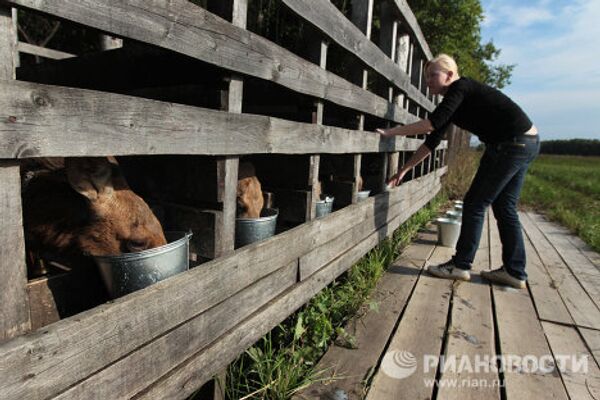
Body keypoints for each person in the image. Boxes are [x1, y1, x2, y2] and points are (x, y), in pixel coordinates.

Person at [376, 54, 539, 289]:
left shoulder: (460, 87)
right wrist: (404, 169)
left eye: (433, 75)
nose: (428, 81)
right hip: (526, 142)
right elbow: (432, 140)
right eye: (426, 77)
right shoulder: (456, 100)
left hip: (511, 144)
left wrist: (391, 133)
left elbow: (431, 123)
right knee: (504, 207)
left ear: (450, 75)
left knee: (475, 203)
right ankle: (514, 272)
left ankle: (461, 265)